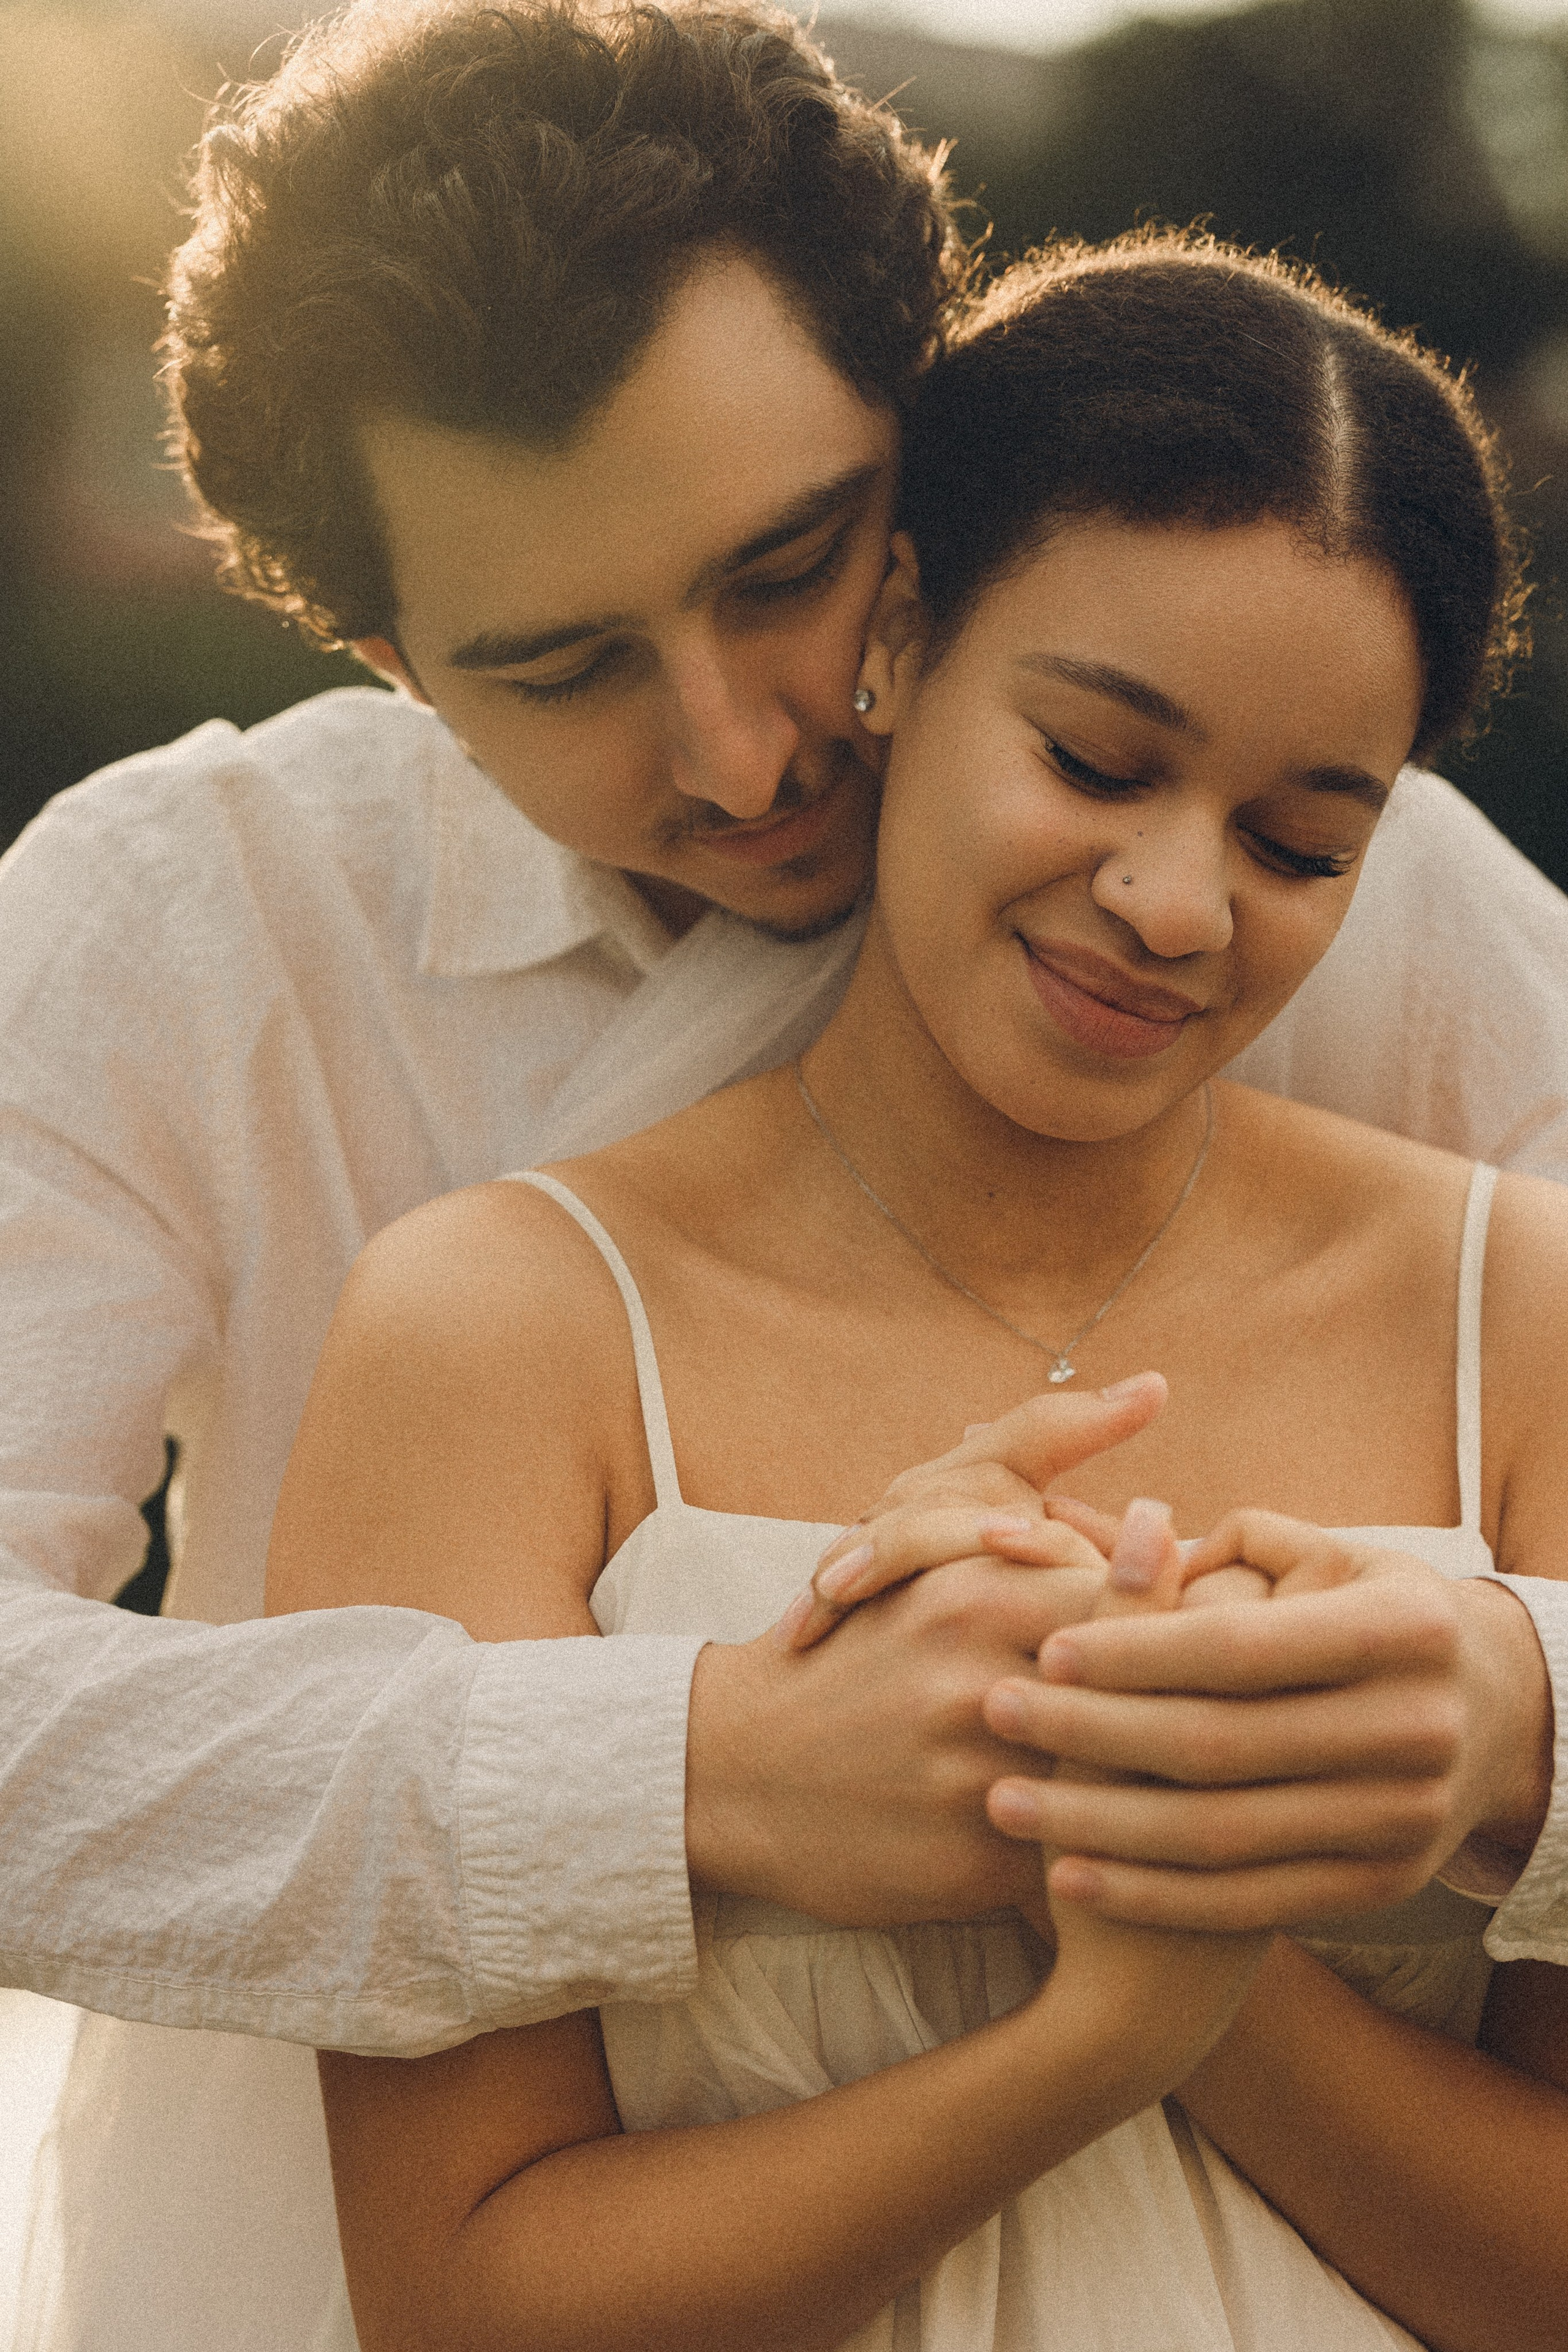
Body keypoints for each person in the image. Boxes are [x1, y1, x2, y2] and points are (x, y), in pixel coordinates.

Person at [3, 5, 1567, 2322]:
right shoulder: (184, 922)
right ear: (391, 653)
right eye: (560, 668)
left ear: (922, 457)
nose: (744, 752)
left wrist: (1530, 1712)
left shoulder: (1331, 873)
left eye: (788, 568)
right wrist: (691, 1766)